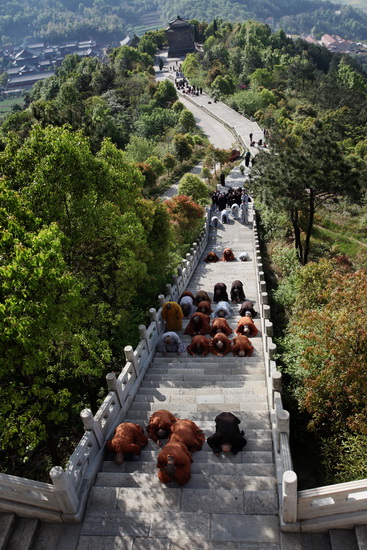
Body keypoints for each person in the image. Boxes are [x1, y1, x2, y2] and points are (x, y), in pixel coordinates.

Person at [157, 419, 205, 485]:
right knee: (165, 477)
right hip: (176, 429)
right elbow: (160, 465)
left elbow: (188, 461)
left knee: (182, 478)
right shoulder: (161, 456)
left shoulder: (182, 456)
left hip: (186, 427)